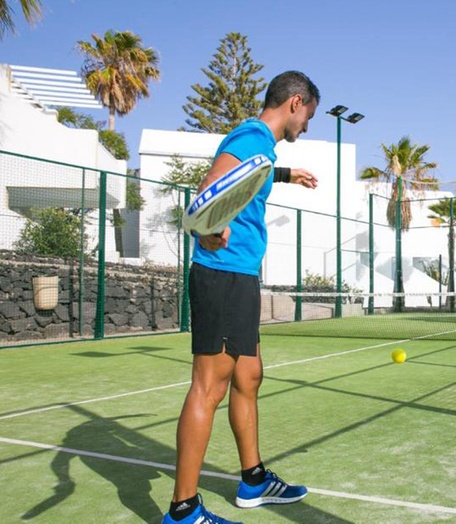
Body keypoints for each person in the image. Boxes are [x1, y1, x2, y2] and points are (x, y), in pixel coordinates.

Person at [162, 71, 320, 524]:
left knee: (249, 376)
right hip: (222, 275)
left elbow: (254, 176)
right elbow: (208, 187)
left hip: (241, 276)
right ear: (294, 102)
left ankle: (252, 480)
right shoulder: (251, 136)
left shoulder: (263, 150)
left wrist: (289, 174)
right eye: (307, 116)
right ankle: (183, 510)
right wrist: (209, 229)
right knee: (208, 386)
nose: (305, 126)